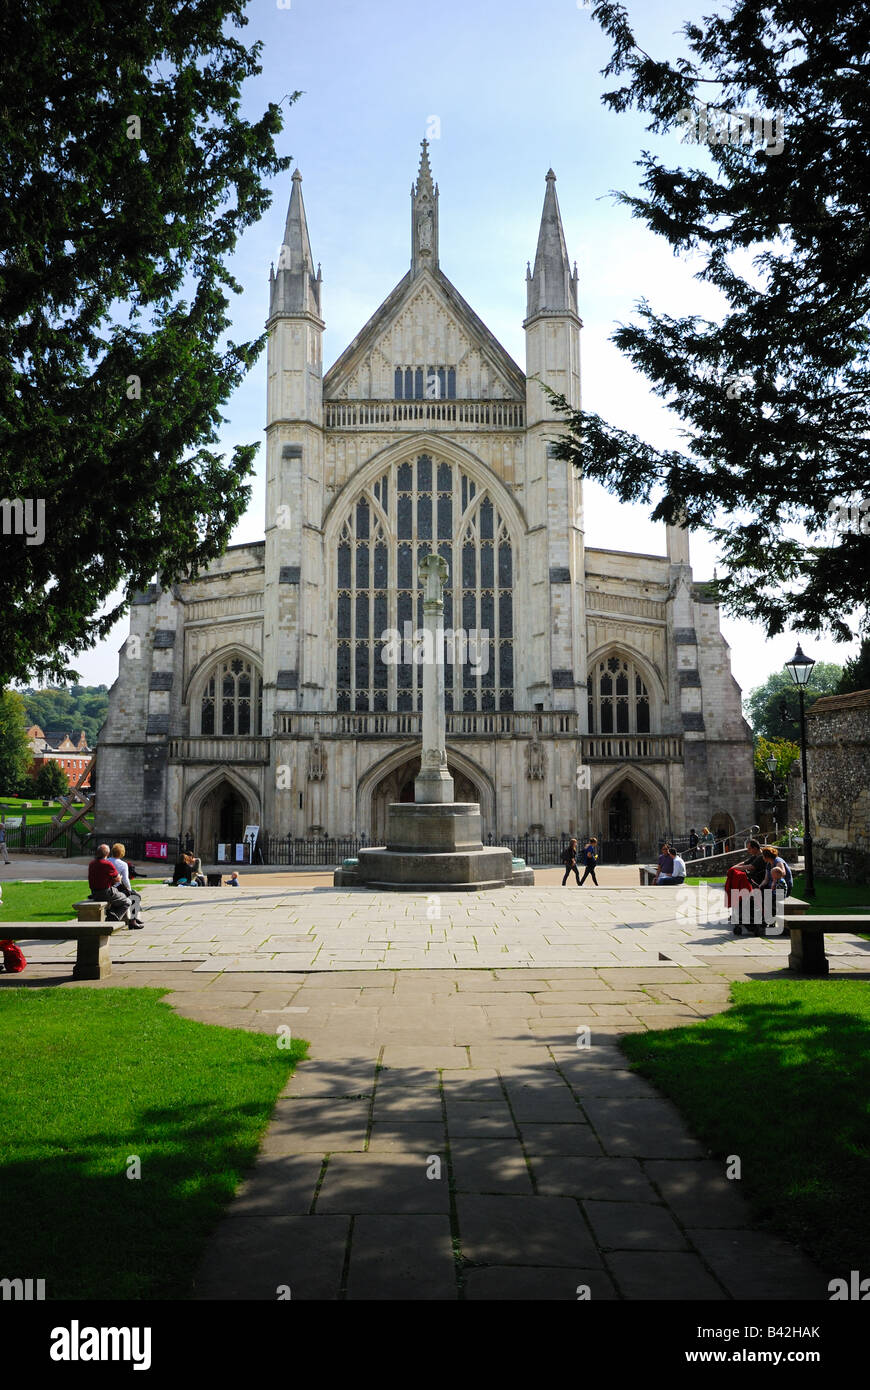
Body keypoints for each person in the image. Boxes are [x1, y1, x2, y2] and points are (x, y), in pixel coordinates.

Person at [88, 844, 139, 927]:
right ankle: (123, 918)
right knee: (131, 899)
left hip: (94, 892)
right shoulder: (108, 864)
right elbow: (121, 879)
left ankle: (116, 914)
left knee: (121, 896)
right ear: (107, 853)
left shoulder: (92, 863)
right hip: (106, 892)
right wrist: (129, 889)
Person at [108, 842, 145, 925]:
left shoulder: (107, 861)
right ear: (122, 853)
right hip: (116, 888)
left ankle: (134, 918)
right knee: (136, 896)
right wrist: (129, 890)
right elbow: (125, 880)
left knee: (133, 894)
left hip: (108, 887)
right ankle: (133, 920)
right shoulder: (123, 864)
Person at [760, 845, 793, 935]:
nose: (762, 858)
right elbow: (766, 879)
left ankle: (770, 921)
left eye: (763, 856)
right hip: (773, 888)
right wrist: (760, 886)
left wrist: (774, 881)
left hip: (781, 888)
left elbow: (782, 873)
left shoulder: (778, 861)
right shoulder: (768, 864)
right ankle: (769, 921)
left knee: (769, 899)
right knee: (763, 896)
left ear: (766, 856)